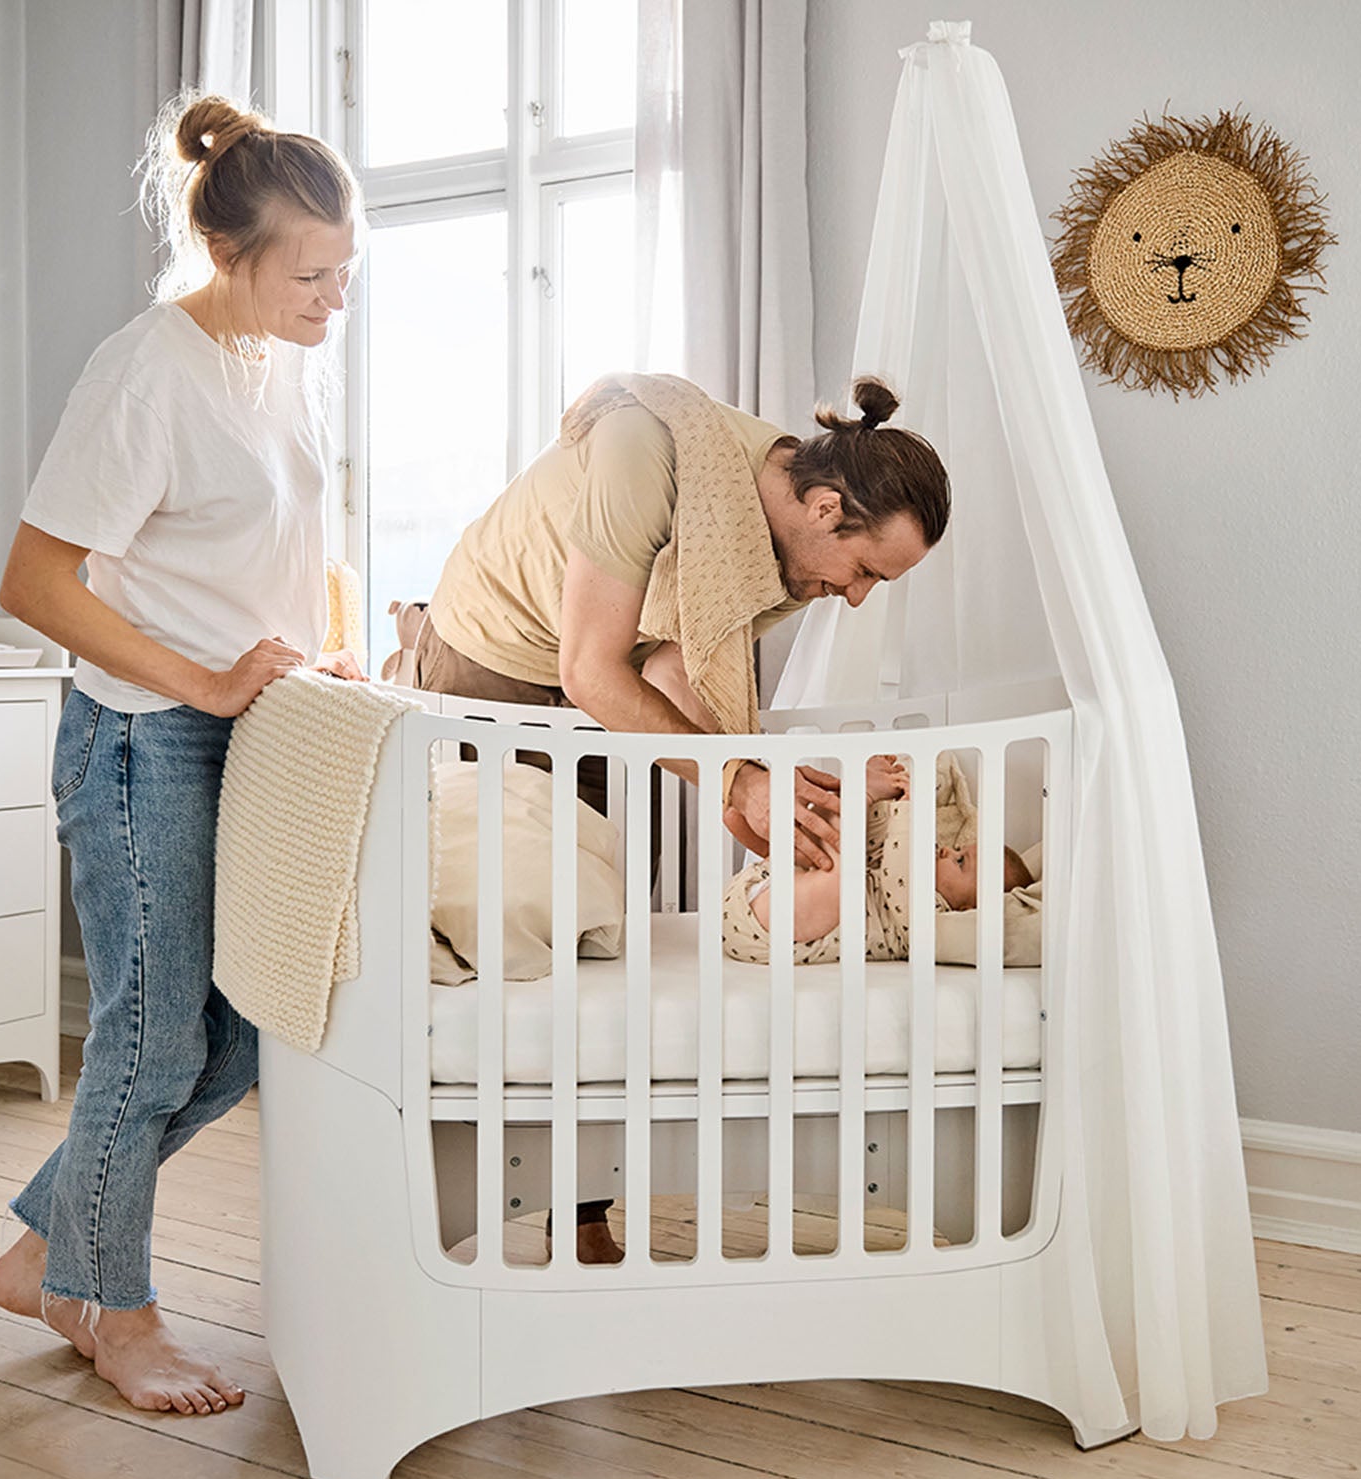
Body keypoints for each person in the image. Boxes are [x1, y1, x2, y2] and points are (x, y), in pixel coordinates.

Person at [0, 94, 362, 1416]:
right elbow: (34, 580)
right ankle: (116, 1311)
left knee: (250, 1034)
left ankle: (49, 1249)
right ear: (231, 258)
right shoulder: (147, 368)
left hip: (253, 739)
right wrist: (204, 677)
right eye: (310, 275)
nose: (334, 299)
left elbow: (287, 539)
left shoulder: (276, 358)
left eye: (345, 272)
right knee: (149, 1045)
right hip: (146, 742)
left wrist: (324, 646)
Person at [410, 373, 951, 1259]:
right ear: (823, 508)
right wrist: (740, 779)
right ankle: (466, 1183)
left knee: (594, 920)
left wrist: (763, 796)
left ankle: (582, 1214)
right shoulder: (650, 450)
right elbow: (594, 672)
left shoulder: (779, 550)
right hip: (495, 657)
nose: (855, 598)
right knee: (516, 920)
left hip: (596, 662)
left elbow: (671, 669)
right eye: (864, 574)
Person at [722, 758, 1032, 964]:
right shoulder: (910, 871)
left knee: (844, 873)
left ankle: (859, 793)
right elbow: (878, 846)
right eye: (958, 849)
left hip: (770, 930)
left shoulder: (928, 918)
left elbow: (899, 867)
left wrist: (908, 810)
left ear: (968, 908)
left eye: (961, 861)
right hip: (774, 888)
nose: (947, 851)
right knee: (831, 854)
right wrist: (890, 801)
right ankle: (771, 836)